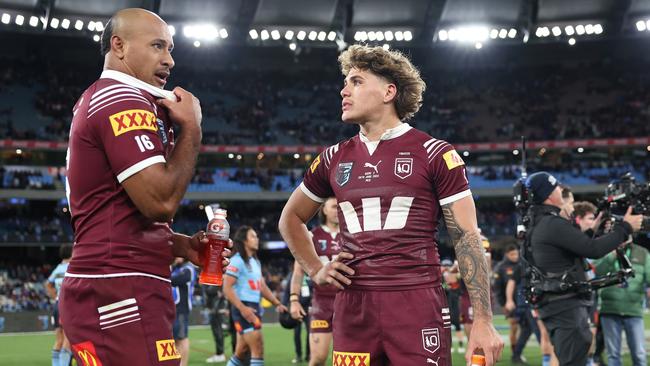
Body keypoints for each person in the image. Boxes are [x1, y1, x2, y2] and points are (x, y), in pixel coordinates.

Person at [279, 44, 503, 366]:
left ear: (388, 91)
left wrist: (482, 319)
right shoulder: (332, 158)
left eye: (356, 81)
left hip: (417, 303)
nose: (344, 90)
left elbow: (467, 237)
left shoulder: (435, 153)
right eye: (345, 82)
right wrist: (316, 269)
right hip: (353, 305)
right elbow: (290, 218)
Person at [59, 8, 229, 366]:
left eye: (170, 49)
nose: (169, 60)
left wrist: (180, 245)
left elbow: (118, 212)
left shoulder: (112, 97)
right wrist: (193, 131)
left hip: (115, 284)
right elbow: (159, 201)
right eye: (157, 46)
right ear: (118, 46)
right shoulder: (122, 99)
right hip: (119, 289)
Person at [526, 171, 643, 366]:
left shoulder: (541, 221)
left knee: (572, 356)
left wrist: (592, 229)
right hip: (565, 305)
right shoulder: (552, 223)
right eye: (556, 187)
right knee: (574, 360)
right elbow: (594, 250)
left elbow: (573, 247)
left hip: (557, 303)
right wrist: (626, 228)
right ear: (548, 195)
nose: (560, 190)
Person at [223, 226, 287, 366]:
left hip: (252, 307)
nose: (257, 239)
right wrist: (243, 309)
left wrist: (277, 303)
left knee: (241, 352)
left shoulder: (255, 261)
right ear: (244, 241)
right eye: (253, 236)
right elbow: (226, 288)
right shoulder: (237, 261)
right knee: (258, 348)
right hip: (245, 309)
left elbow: (262, 286)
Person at [290, 197, 341, 366]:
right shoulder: (312, 236)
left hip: (349, 302)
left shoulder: (352, 235)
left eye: (339, 207)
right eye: (334, 206)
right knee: (318, 358)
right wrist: (294, 299)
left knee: (352, 359)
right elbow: (298, 272)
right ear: (324, 209)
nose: (337, 210)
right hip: (322, 303)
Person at [595, 242, 650, 366]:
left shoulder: (642, 252)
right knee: (613, 355)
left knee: (639, 354)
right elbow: (597, 271)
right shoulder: (604, 249)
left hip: (634, 309)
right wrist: (611, 256)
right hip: (609, 309)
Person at [45, 244, 73, 366]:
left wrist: (55, 296)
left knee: (59, 340)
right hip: (67, 306)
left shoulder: (57, 269)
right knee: (68, 340)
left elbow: (47, 284)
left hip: (57, 305)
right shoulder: (72, 267)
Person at [494, 244, 521, 357]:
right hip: (510, 304)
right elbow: (497, 288)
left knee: (524, 328)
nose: (515, 256)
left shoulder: (522, 264)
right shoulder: (501, 267)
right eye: (512, 254)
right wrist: (503, 303)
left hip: (523, 302)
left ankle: (518, 351)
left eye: (516, 253)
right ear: (507, 255)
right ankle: (515, 352)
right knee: (514, 327)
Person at [171, 257, 198, 366]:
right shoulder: (176, 268)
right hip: (174, 308)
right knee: (175, 338)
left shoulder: (189, 269)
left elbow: (174, 280)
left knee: (182, 338)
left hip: (182, 308)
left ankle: (183, 364)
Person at [204, 285, 227, 363]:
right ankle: (220, 353)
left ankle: (220, 354)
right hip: (216, 310)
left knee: (218, 332)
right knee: (217, 332)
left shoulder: (216, 284)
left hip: (217, 310)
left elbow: (210, 291)